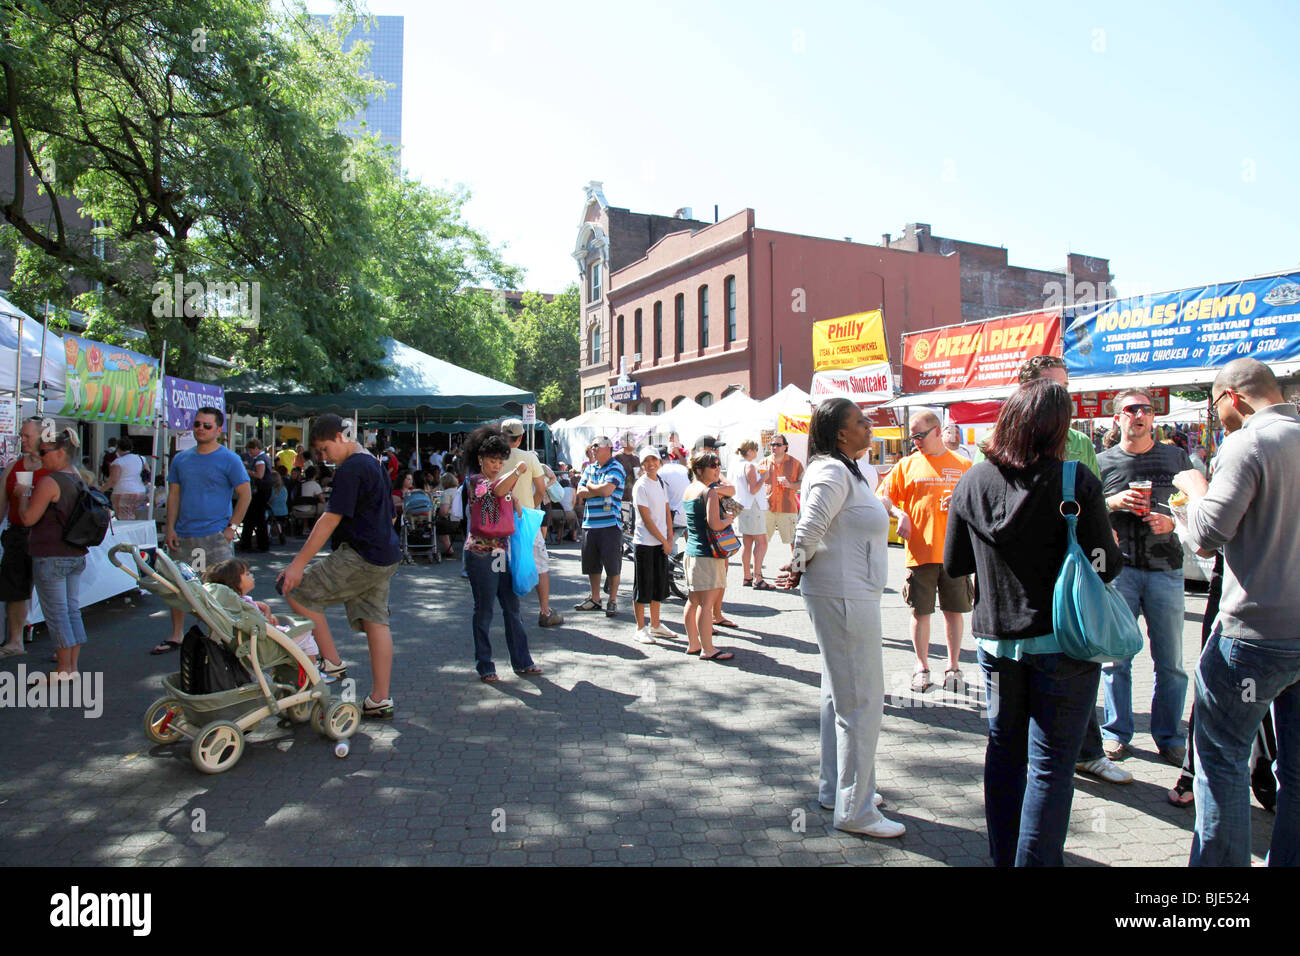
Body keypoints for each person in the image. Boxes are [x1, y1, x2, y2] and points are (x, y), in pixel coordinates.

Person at [944, 379, 1122, 865]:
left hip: (996, 643)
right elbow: (1105, 563)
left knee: (1004, 753)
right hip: (1063, 642)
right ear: (1057, 428)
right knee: (1051, 766)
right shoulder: (1075, 479)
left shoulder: (973, 478)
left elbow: (956, 564)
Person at [1175, 358, 1300, 866]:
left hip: (1252, 637)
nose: (1216, 415)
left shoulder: (1247, 442)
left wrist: (1193, 487)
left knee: (1221, 760)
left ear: (1233, 398)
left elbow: (1207, 536)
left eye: (1214, 404)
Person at [997, 354, 1129, 785]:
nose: (1063, 398)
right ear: (1027, 390)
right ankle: (1049, 759)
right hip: (1017, 587)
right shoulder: (1002, 442)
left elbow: (1093, 505)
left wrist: (1104, 540)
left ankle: (1086, 751)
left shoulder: (1079, 442)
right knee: (1020, 710)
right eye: (1054, 387)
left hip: (1071, 574)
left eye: (1065, 388)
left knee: (1078, 651)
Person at [777, 398, 904, 838]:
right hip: (844, 594)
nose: (869, 426)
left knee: (840, 695)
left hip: (849, 591)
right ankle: (855, 808)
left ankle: (840, 790)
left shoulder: (845, 469)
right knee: (861, 700)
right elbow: (809, 526)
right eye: (860, 422)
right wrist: (796, 563)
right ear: (839, 434)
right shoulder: (832, 471)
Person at [278, 414, 401, 719]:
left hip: (361, 555)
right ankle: (379, 699)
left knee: (297, 591)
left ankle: (331, 662)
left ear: (339, 437)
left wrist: (297, 565)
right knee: (376, 622)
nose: (322, 457)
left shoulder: (351, 469)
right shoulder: (373, 463)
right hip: (385, 554)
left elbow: (329, 520)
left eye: (323, 449)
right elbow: (391, 515)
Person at [1097, 388, 1192, 766]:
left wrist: (1172, 519)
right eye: (1131, 410)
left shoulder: (1175, 456)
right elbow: (1084, 511)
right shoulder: (1102, 461)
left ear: (1153, 418)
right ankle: (1116, 733)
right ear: (1117, 418)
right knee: (1115, 658)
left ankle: (1168, 736)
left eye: (1146, 410)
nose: (1139, 415)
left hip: (1166, 568)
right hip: (1120, 570)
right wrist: (1111, 503)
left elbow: (1195, 504)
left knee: (1170, 661)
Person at [880, 410, 974, 693]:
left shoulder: (963, 465)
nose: (915, 441)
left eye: (920, 435)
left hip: (954, 554)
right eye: (913, 436)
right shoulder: (907, 465)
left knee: (953, 612)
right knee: (921, 612)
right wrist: (899, 513)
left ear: (937, 431)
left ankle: (953, 666)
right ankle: (921, 667)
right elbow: (881, 497)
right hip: (920, 554)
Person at [155, 406, 251, 654]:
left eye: (207, 425)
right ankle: (176, 634)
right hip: (184, 534)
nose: (200, 429)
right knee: (177, 587)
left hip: (215, 536)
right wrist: (170, 528)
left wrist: (232, 528)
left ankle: (222, 636)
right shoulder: (181, 459)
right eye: (197, 424)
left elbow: (245, 494)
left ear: (219, 430)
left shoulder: (230, 459)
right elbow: (174, 495)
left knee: (223, 587)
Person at [461, 429, 541, 682]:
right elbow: (495, 490)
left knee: (511, 608)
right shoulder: (476, 481)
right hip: (480, 554)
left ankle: (522, 661)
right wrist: (517, 472)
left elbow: (505, 495)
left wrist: (516, 501)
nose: (496, 465)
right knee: (484, 611)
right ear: (480, 459)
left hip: (499, 555)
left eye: (499, 461)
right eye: (492, 460)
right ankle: (485, 665)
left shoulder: (502, 482)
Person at [17, 427, 93, 679]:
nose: (41, 456)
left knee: (58, 613)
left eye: (44, 452)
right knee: (71, 610)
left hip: (51, 555)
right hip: (74, 554)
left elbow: (27, 518)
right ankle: (71, 667)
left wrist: (21, 494)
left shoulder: (51, 482)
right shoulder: (79, 478)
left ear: (60, 452)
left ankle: (63, 669)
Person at [500, 418, 562, 628]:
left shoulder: (493, 457)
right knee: (540, 564)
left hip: (499, 518)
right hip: (524, 517)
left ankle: (509, 612)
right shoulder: (529, 457)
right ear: (520, 438)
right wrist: (532, 508)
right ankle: (544, 611)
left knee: (502, 563)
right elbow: (541, 489)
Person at [201, 558, 318, 658]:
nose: (251, 575)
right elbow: (265, 625)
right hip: (264, 644)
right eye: (247, 574)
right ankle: (313, 671)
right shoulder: (244, 605)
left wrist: (264, 608)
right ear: (235, 583)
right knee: (306, 634)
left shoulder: (236, 603)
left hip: (250, 642)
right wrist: (267, 614)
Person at [680, 450, 735, 662]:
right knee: (706, 603)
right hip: (707, 554)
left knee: (693, 600)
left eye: (719, 465)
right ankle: (708, 648)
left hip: (692, 552)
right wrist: (728, 520)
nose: (717, 470)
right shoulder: (709, 492)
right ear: (700, 469)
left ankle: (693, 644)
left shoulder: (690, 489)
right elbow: (715, 524)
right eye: (713, 466)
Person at [0, 417, 45, 658]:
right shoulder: (13, 467)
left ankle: (63, 645)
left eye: (28, 436)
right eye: (21, 435)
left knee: (51, 591)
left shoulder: (51, 466)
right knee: (14, 589)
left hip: (45, 535)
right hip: (17, 534)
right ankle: (15, 640)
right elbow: (1, 506)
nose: (23, 440)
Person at [572, 436, 625, 618]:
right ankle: (595, 598)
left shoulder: (616, 467)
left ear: (608, 448)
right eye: (592, 445)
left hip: (610, 523)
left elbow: (607, 491)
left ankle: (612, 599)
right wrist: (596, 488)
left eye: (597, 445)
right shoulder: (590, 467)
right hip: (590, 523)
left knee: (612, 564)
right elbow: (580, 492)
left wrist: (590, 486)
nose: (593, 448)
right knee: (591, 564)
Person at [631, 446, 675, 644]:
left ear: (660, 462)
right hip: (645, 543)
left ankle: (655, 624)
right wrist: (664, 540)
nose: (650, 464)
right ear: (641, 464)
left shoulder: (662, 483)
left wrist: (670, 535)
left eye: (654, 460)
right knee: (643, 586)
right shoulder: (641, 486)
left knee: (659, 585)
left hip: (661, 543)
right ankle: (640, 628)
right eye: (646, 461)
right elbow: (646, 518)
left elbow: (666, 510)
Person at [730, 440, 772, 589]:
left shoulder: (736, 466)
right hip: (753, 507)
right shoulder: (749, 466)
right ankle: (757, 577)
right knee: (762, 542)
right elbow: (753, 489)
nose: (756, 453)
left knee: (747, 543)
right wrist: (764, 478)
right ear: (749, 451)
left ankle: (747, 576)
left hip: (742, 506)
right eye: (754, 450)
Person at [760, 434, 804, 571]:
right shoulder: (763, 463)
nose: (774, 447)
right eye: (772, 445)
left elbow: (803, 484)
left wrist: (790, 484)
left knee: (795, 542)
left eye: (778, 444)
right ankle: (757, 572)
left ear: (785, 447)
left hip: (787, 508)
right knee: (761, 541)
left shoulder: (795, 463)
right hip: (768, 508)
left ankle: (799, 570)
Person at [99, 435, 149, 520]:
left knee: (123, 519)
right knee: (134, 518)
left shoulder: (118, 462)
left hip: (123, 492)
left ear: (118, 449)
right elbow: (148, 473)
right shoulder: (141, 458)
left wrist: (101, 490)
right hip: (140, 492)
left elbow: (113, 480)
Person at [239, 437, 273, 553]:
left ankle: (253, 543)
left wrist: (247, 471)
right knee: (256, 518)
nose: (250, 453)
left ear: (257, 448)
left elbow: (259, 475)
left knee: (255, 518)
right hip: (262, 491)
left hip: (260, 491)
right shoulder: (262, 458)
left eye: (251, 450)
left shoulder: (260, 460)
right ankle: (257, 543)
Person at [435, 472, 461, 557]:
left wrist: (436, 514)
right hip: (461, 521)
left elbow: (444, 512)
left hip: (451, 521)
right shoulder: (459, 491)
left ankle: (449, 550)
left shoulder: (446, 493)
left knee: (436, 525)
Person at [268, 470, 289, 544]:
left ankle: (267, 534)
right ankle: (280, 533)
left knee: (267, 519)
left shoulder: (270, 490)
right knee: (278, 522)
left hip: (272, 512)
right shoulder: (284, 489)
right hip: (284, 511)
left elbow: (268, 501)